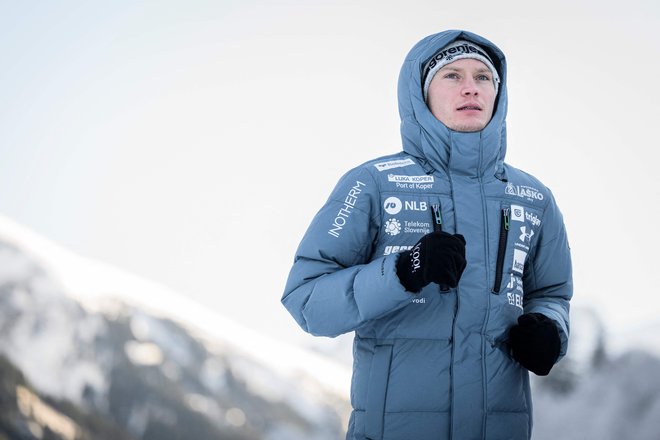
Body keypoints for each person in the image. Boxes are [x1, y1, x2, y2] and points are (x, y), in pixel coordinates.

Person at [282, 29, 572, 440]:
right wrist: (403, 271)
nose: (470, 87)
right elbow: (307, 300)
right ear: (421, 94)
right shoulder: (373, 184)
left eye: (483, 77)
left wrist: (548, 329)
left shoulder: (533, 198)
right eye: (452, 75)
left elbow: (552, 293)